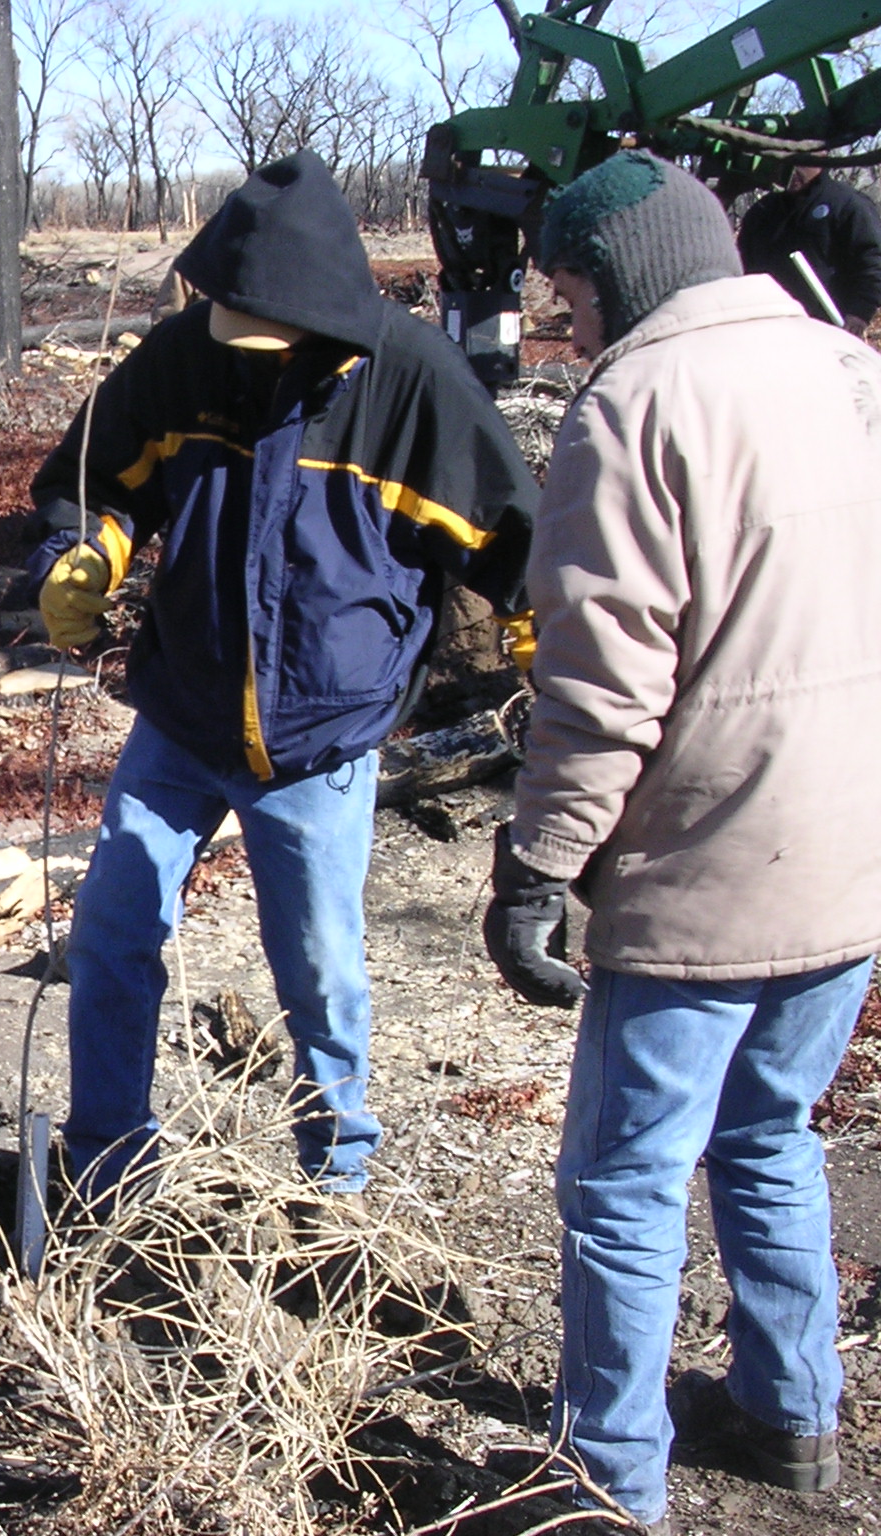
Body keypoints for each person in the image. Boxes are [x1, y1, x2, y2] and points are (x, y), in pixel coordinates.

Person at [485, 151, 881, 1534]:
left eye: (572, 292)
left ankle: (604, 1485)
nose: (565, 326)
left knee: (623, 1187)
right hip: (850, 855)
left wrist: (538, 861)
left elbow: (604, 688)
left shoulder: (635, 405)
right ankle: (790, 1419)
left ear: (630, 275)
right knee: (770, 1136)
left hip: (706, 868)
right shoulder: (846, 369)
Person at [31, 151, 537, 1203]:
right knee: (112, 934)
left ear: (322, 318)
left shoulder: (411, 385)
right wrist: (79, 557)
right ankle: (105, 1164)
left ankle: (333, 1185)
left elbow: (517, 546)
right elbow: (92, 484)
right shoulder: (181, 358)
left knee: (316, 972)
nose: (245, 351)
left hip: (318, 737)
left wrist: (551, 658)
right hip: (180, 714)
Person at [737, 163, 881, 332]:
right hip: (766, 327)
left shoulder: (848, 205)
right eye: (787, 161)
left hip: (827, 327)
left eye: (800, 161)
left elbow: (873, 262)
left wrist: (859, 313)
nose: (792, 170)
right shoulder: (763, 210)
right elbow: (741, 265)